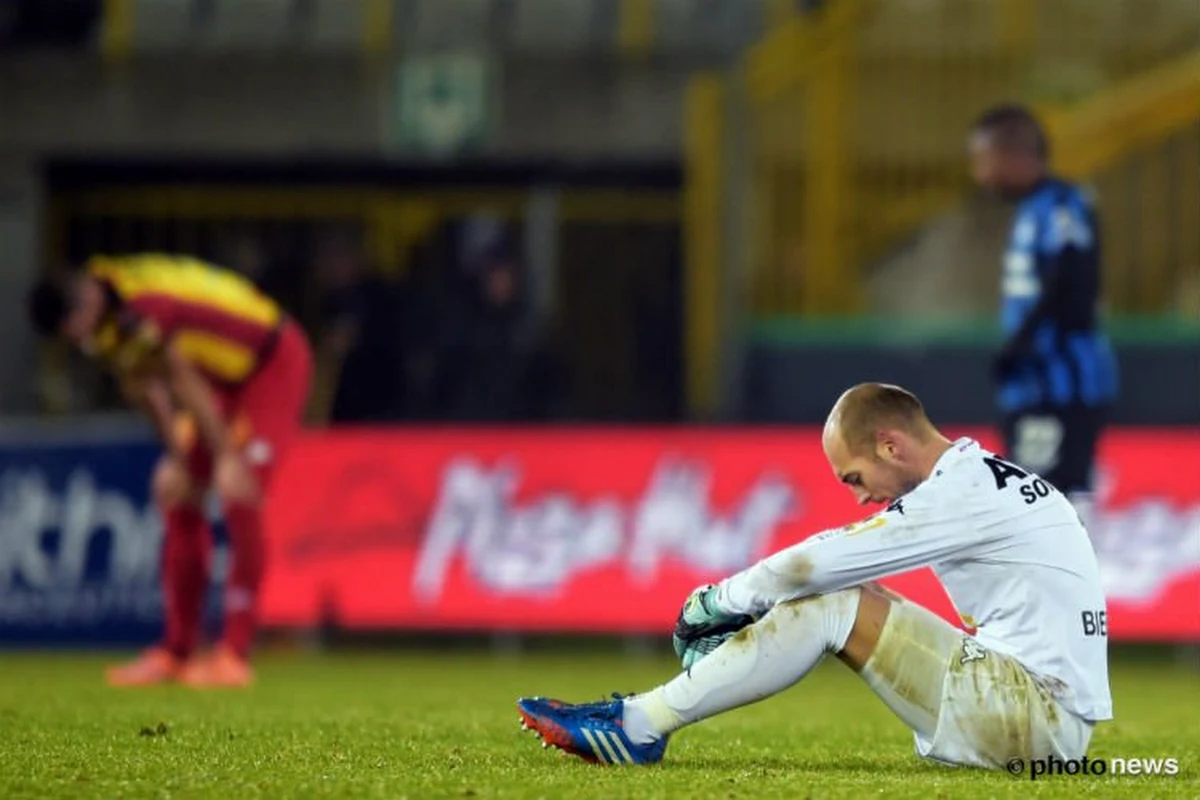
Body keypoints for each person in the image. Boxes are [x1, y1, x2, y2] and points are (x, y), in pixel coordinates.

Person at [516, 383, 1111, 769]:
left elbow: (818, 564)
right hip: (1042, 718)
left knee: (832, 599)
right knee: (837, 596)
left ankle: (638, 726)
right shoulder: (979, 477)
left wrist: (722, 599)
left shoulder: (960, 492)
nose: (859, 499)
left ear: (890, 445)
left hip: (1038, 726)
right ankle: (639, 722)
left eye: (854, 478)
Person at [27, 253, 313, 687]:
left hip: (272, 362)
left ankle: (234, 655)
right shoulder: (107, 317)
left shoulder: (140, 307)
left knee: (239, 489)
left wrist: (226, 455)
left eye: (74, 326)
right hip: (222, 381)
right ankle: (176, 652)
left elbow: (179, 378)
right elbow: (142, 386)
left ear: (84, 300)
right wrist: (179, 460)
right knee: (176, 490)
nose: (76, 338)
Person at [967, 104, 1118, 522]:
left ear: (1016, 157)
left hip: (1058, 386)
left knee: (1045, 505)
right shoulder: (1033, 211)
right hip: (1035, 383)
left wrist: (1022, 343)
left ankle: (1066, 586)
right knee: (1032, 501)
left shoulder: (1062, 206)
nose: (981, 175)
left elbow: (1073, 278)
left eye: (985, 161)